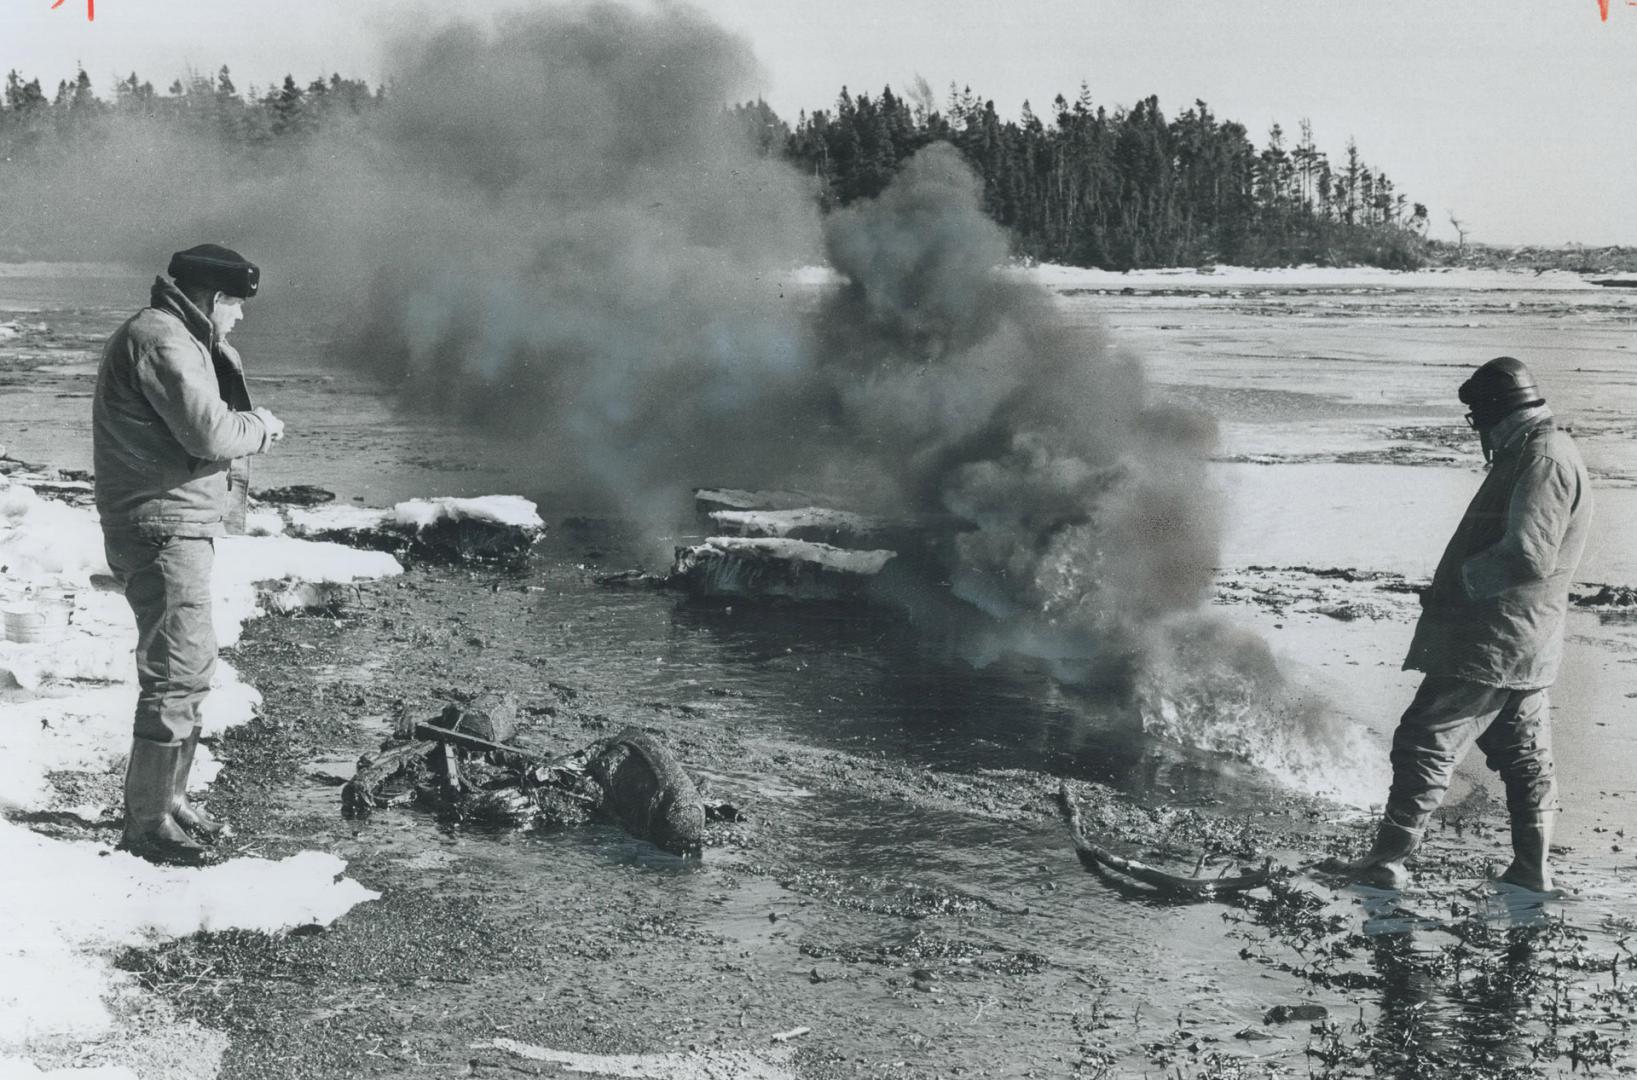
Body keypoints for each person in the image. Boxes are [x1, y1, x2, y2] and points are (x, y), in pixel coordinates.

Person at [1324, 356, 1592, 893]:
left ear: (1494, 413)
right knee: (1524, 757)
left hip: (1493, 639)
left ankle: (1387, 862)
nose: (1479, 431)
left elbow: (1527, 555)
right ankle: (1531, 870)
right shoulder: (1537, 449)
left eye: (1478, 417)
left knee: (1425, 739)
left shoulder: (1540, 458)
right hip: (1527, 640)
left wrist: (1455, 587)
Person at [93, 244, 285, 864]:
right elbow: (209, 432)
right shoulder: (163, 339)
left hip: (174, 522)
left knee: (192, 664)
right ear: (209, 297)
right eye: (234, 303)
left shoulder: (176, 336)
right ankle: (147, 825)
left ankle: (169, 802)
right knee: (176, 671)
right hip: (160, 524)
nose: (239, 316)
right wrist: (261, 426)